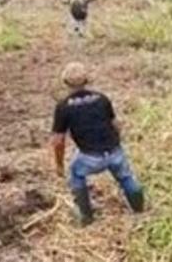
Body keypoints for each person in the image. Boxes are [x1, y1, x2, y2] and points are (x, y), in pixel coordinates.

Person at [51, 62, 145, 226]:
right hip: (114, 151)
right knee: (125, 177)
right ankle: (139, 210)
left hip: (89, 156)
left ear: (65, 83)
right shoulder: (102, 99)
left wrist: (59, 164)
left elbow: (58, 141)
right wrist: (117, 144)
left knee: (75, 174)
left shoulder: (64, 107)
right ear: (87, 80)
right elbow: (116, 125)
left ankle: (86, 216)